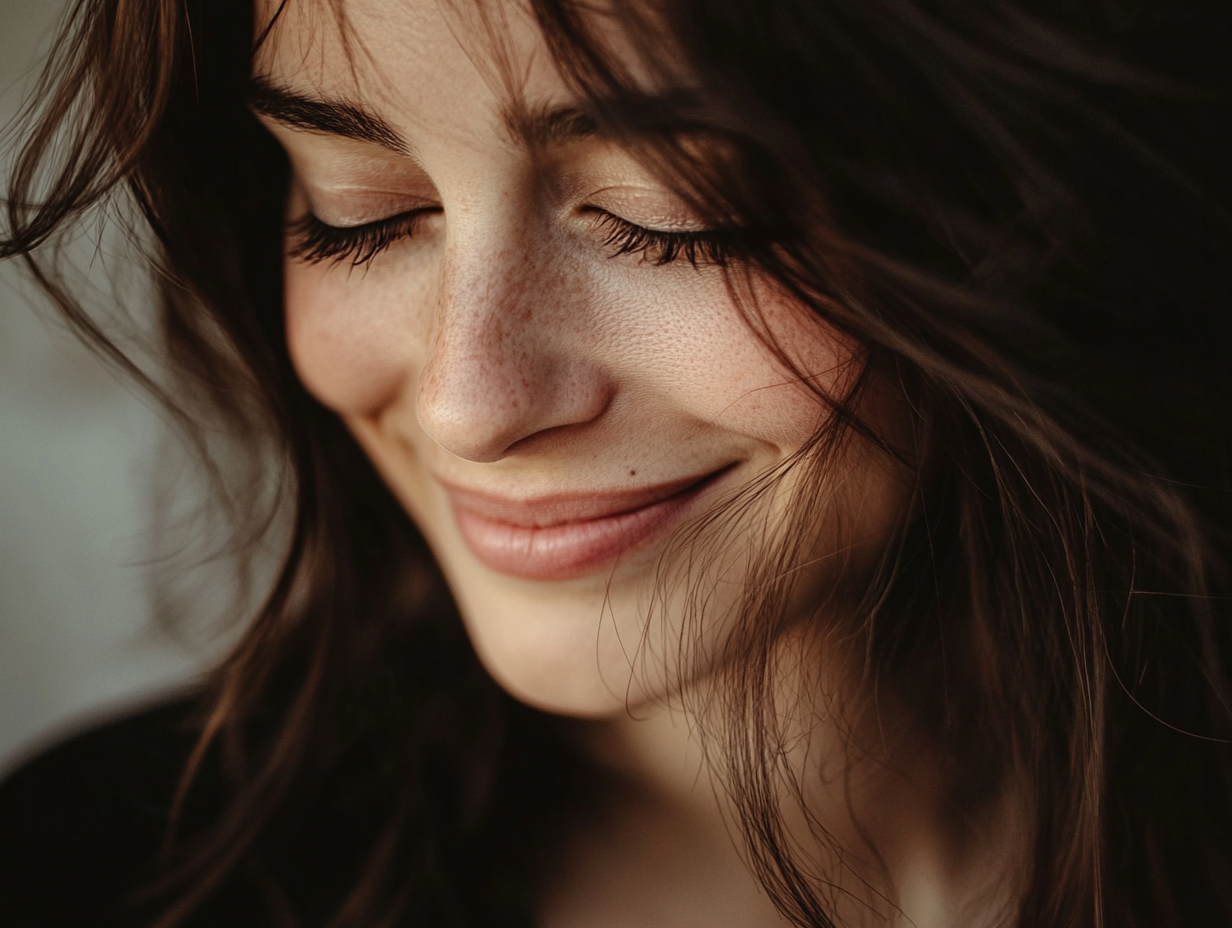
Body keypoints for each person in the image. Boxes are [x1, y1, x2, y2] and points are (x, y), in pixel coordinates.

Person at [1, 0, 1230, 925]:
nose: (468, 403)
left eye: (668, 211)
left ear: (1040, 197)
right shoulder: (96, 876)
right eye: (356, 208)